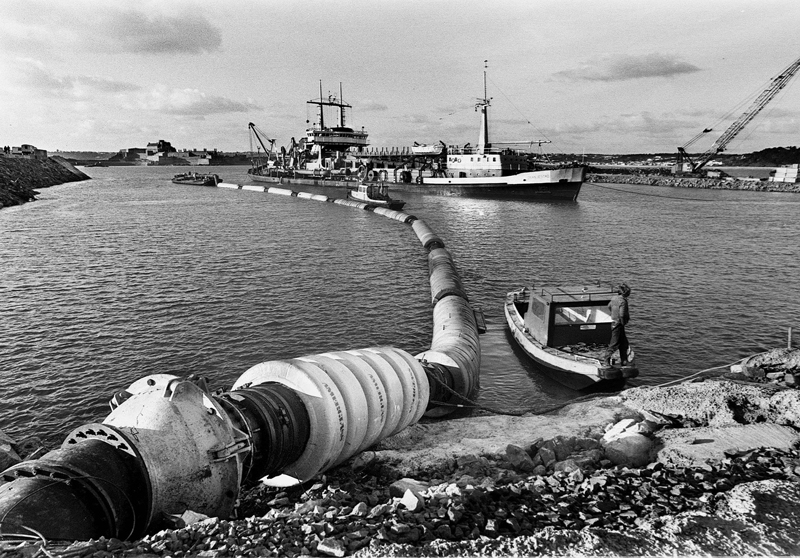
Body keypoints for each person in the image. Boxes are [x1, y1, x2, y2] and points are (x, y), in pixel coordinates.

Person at [604, 283, 631, 367]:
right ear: (625, 292)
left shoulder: (614, 298)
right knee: (614, 343)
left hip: (615, 322)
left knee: (624, 343)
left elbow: (609, 306)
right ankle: (606, 360)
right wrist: (623, 322)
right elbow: (622, 314)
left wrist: (613, 314)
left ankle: (624, 361)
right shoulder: (623, 301)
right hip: (619, 324)